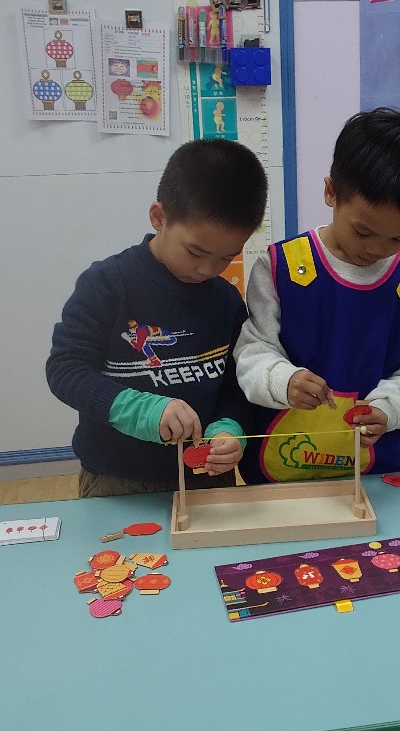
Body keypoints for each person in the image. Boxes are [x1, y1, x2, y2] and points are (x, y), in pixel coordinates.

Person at [235, 108, 400, 483]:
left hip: (376, 470)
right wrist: (283, 380)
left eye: (398, 238)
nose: (377, 249)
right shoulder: (282, 267)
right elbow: (253, 351)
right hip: (282, 467)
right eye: (364, 232)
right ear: (331, 192)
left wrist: (388, 408)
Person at [47, 139, 268, 497]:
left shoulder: (226, 300)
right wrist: (140, 410)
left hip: (205, 475)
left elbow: (236, 384)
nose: (207, 269)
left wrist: (230, 428)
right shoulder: (107, 284)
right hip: (117, 478)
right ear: (159, 217)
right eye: (195, 251)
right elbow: (65, 370)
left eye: (227, 257)